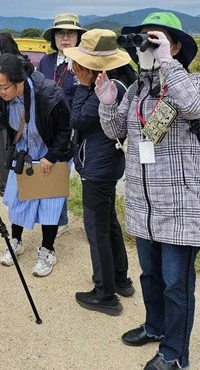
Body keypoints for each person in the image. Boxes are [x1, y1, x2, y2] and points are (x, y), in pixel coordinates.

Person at [95, 12, 200, 370]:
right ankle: (155, 326)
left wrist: (167, 63)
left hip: (179, 204)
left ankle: (176, 354)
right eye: (143, 40)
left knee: (177, 283)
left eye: (154, 39)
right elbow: (115, 132)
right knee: (150, 275)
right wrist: (108, 100)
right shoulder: (139, 90)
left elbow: (191, 106)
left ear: (174, 46)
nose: (145, 46)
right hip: (143, 204)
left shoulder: (194, 82)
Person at [63, 29, 135, 316]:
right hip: (107, 163)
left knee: (97, 230)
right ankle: (120, 278)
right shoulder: (121, 79)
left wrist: (82, 85)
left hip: (97, 166)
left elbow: (78, 119)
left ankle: (105, 293)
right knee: (109, 222)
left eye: (80, 64)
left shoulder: (107, 87)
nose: (75, 68)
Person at [0, 53, 73, 277]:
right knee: (19, 200)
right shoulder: (2, 96)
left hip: (50, 155)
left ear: (20, 80)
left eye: (3, 86)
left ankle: (47, 250)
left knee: (49, 207)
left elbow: (66, 129)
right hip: (24, 154)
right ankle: (16, 241)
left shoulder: (48, 94)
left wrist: (52, 156)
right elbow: (3, 124)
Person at [39, 13, 86, 236]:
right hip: (54, 128)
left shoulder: (85, 60)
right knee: (57, 172)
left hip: (81, 126)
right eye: (60, 33)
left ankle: (93, 226)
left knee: (88, 176)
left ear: (78, 37)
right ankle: (60, 219)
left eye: (70, 33)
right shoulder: (46, 62)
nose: (65, 37)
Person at [0, 32, 27, 194]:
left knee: (14, 149)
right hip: (4, 112)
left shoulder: (19, 64)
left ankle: (14, 184)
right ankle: (6, 183)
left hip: (18, 115)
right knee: (3, 150)